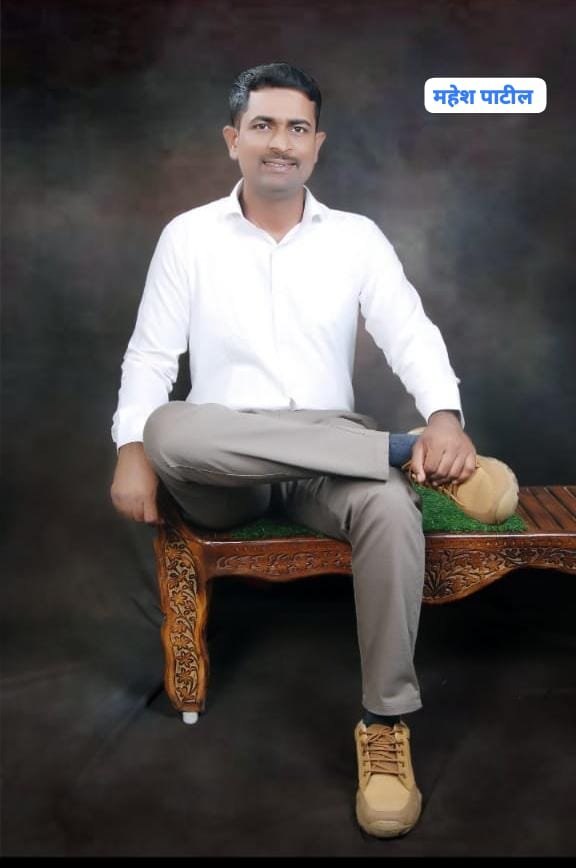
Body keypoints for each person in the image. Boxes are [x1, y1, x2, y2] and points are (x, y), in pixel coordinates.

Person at [110, 62, 518, 839]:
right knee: (168, 430)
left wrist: (444, 417)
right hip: (225, 460)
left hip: (332, 459)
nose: (280, 142)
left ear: (317, 144)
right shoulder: (187, 237)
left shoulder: (356, 238)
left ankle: (385, 725)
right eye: (262, 125)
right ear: (233, 140)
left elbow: (408, 330)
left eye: (297, 127)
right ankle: (396, 449)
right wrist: (132, 446)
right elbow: (151, 359)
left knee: (391, 509)